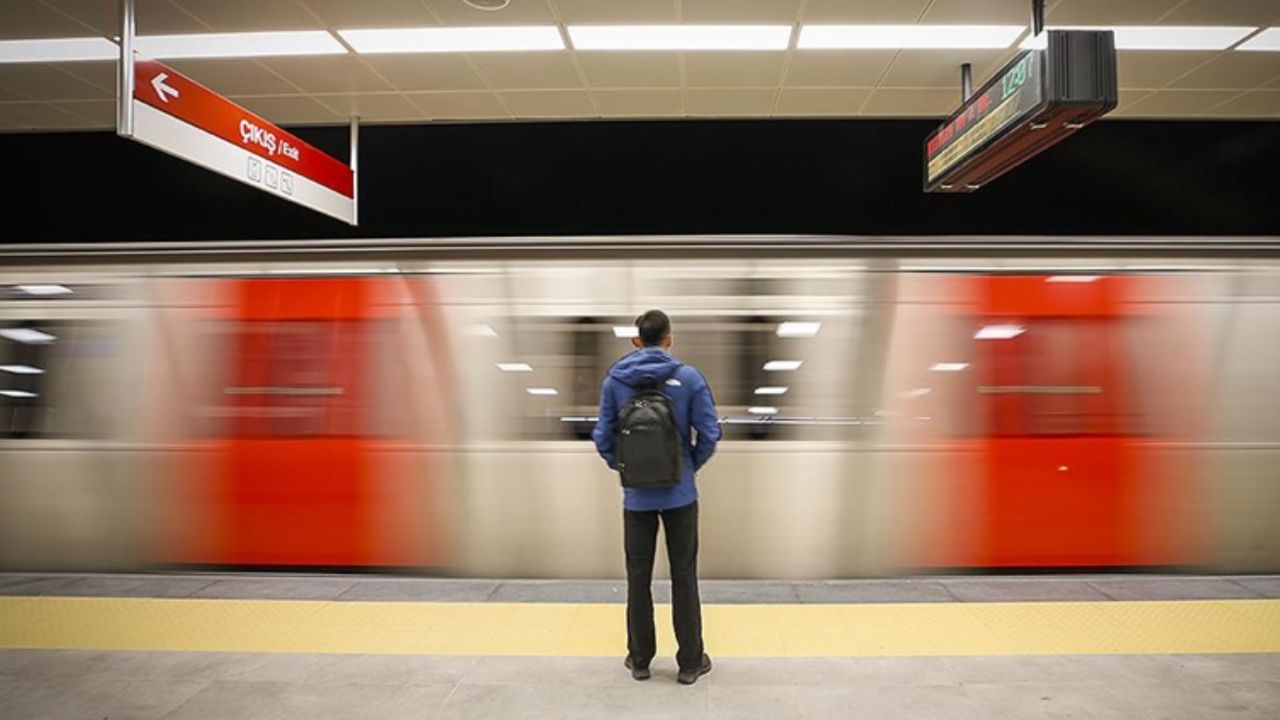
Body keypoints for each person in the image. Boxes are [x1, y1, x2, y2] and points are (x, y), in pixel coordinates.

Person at [592, 309, 721, 685]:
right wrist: (687, 467)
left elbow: (602, 437)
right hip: (680, 496)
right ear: (669, 339)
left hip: (637, 499)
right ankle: (690, 663)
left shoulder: (615, 382)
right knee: (684, 577)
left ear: (637, 341)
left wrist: (627, 468)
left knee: (638, 578)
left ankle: (640, 660)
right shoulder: (689, 377)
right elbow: (710, 434)